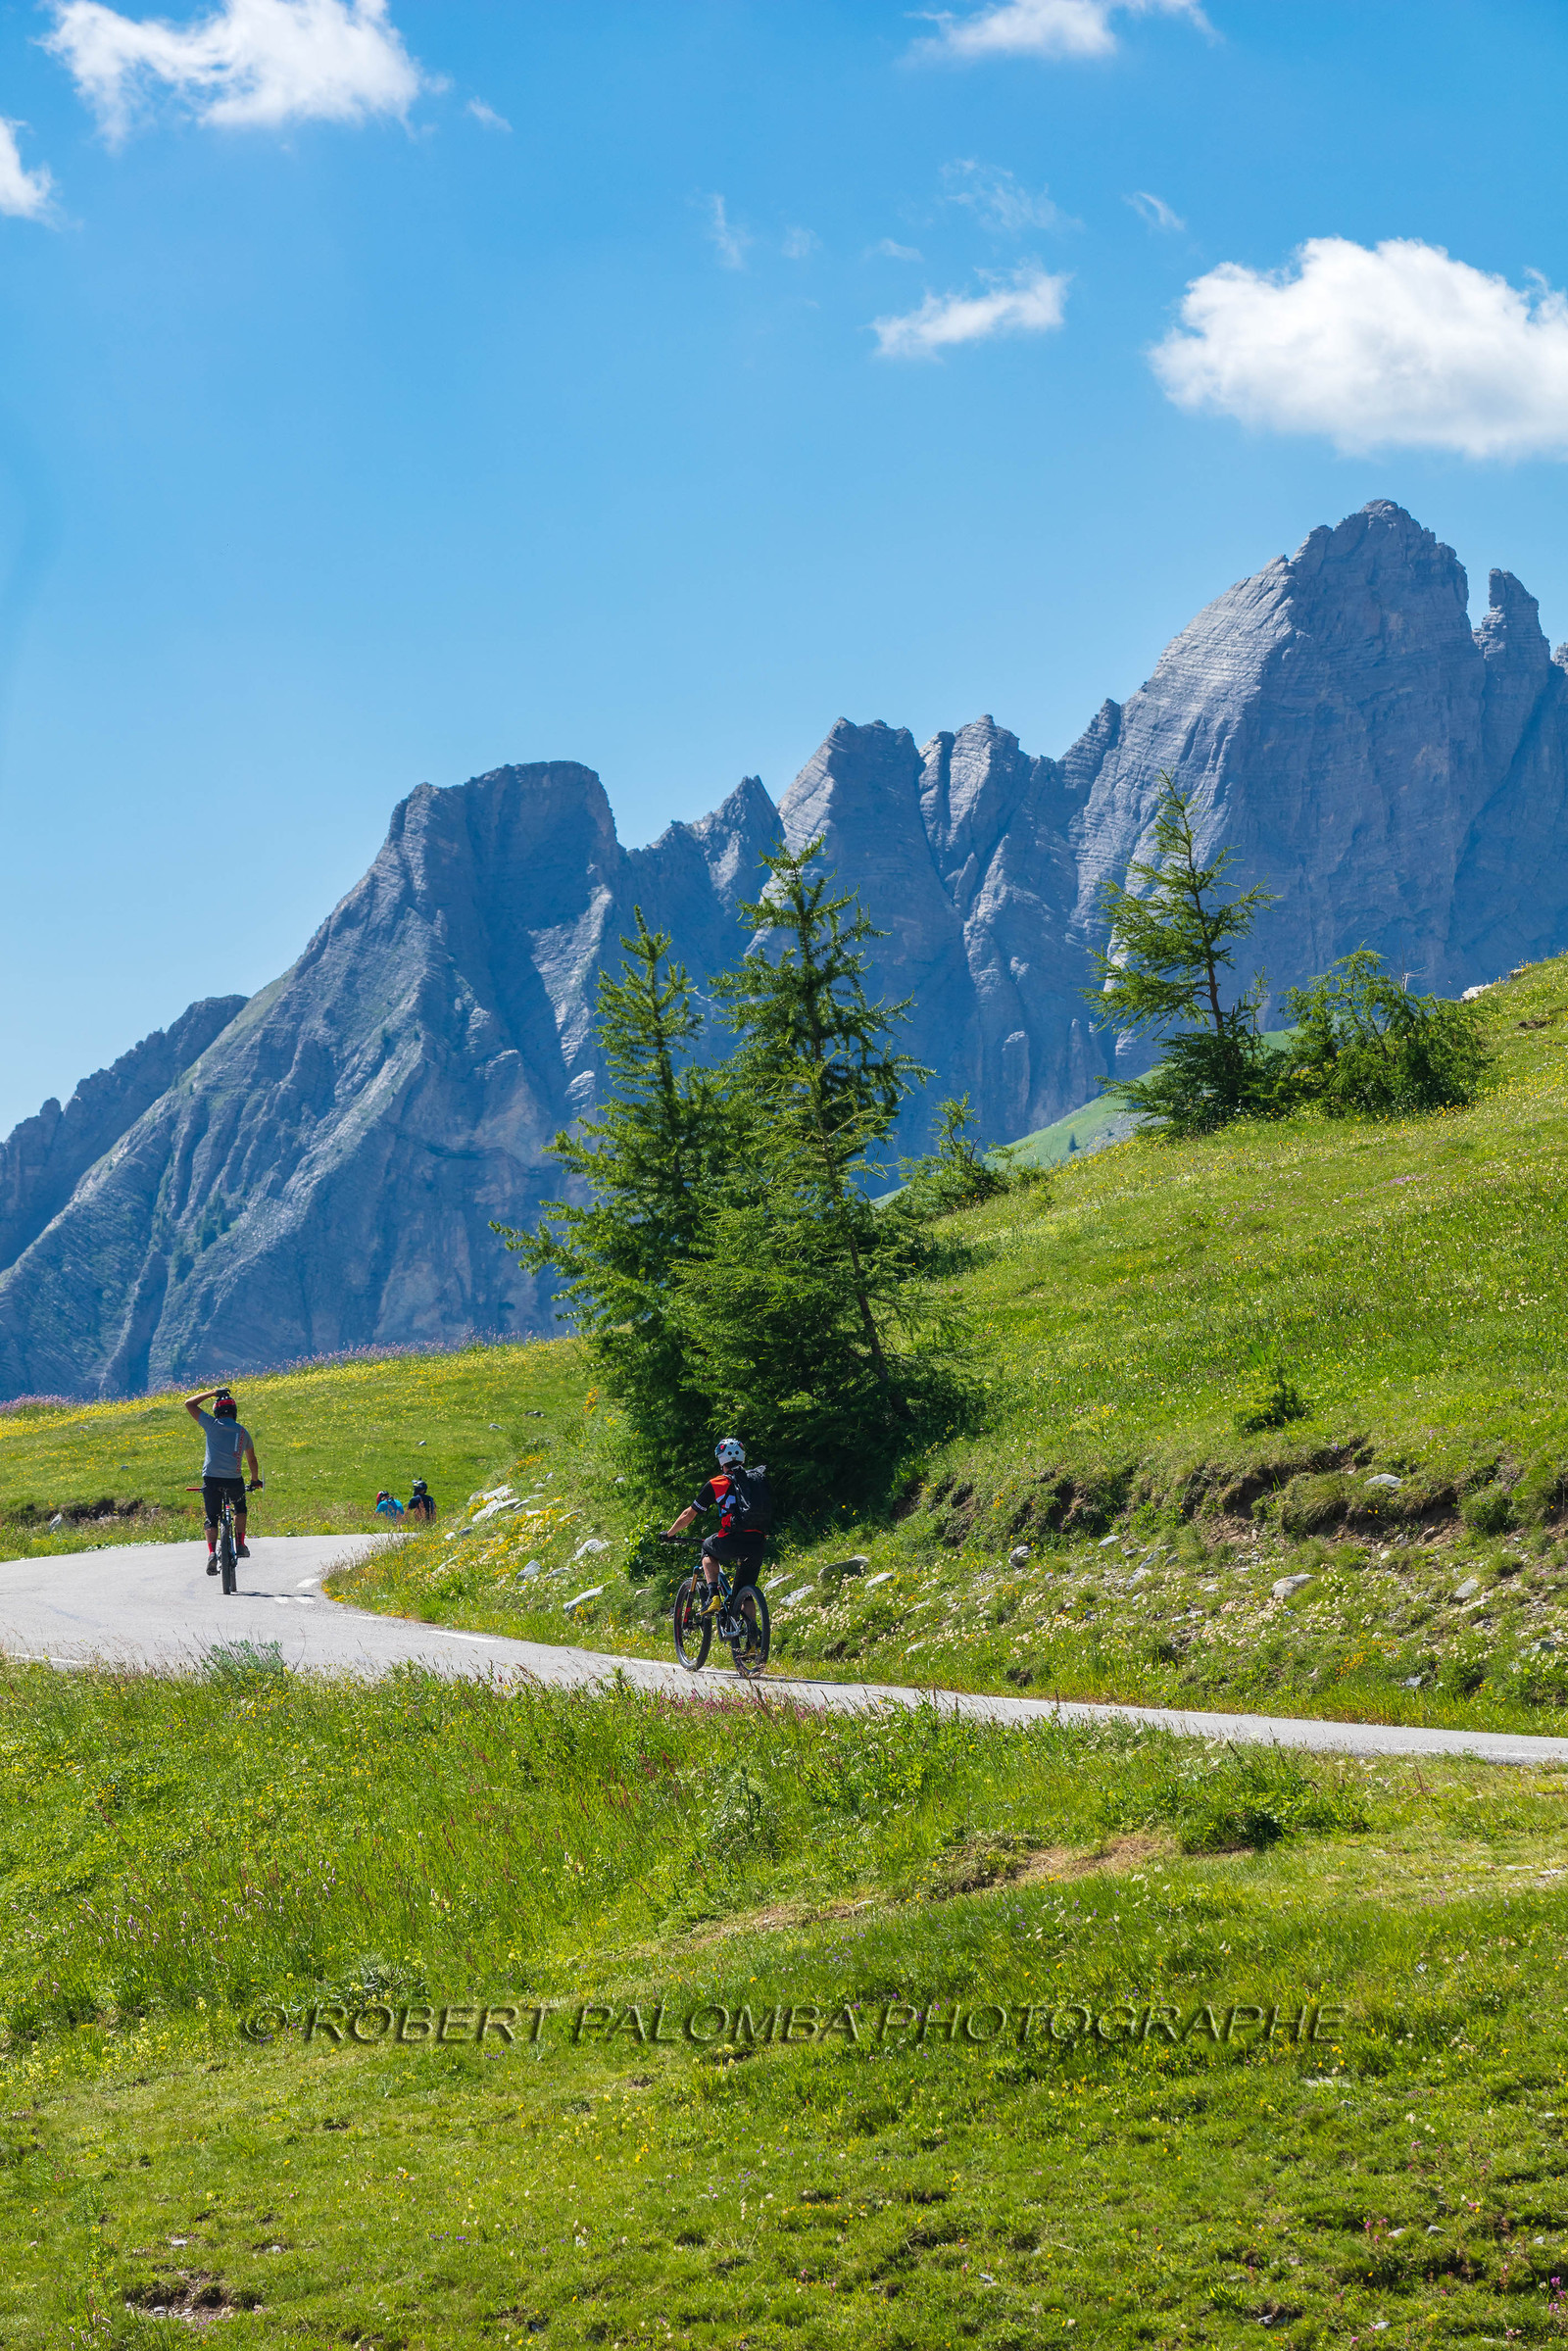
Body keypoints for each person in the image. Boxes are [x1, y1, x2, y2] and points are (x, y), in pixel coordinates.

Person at [665, 1439, 767, 1623]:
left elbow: (689, 1514)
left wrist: (670, 1533)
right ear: (742, 1458)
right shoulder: (756, 1480)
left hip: (732, 1540)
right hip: (758, 1542)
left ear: (721, 1460)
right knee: (745, 1593)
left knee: (707, 1546)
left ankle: (714, 1596)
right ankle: (752, 1643)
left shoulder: (718, 1483)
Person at [183, 1385, 263, 1572]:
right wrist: (254, 1480)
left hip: (211, 1479)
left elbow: (189, 1404)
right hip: (234, 1480)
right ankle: (241, 1544)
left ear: (217, 1411)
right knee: (240, 1508)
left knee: (212, 1517)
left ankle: (212, 1553)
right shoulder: (243, 1432)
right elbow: (251, 1459)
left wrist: (212, 1392)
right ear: (234, 1412)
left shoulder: (211, 1424)